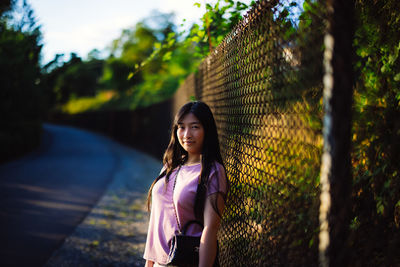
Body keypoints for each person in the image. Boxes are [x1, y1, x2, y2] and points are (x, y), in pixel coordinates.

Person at [143, 101, 228, 267]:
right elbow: (155, 221)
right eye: (181, 127)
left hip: (185, 260)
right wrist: (149, 264)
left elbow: (210, 230)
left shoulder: (213, 171)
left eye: (195, 127)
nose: (187, 134)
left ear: (207, 131)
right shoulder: (170, 165)